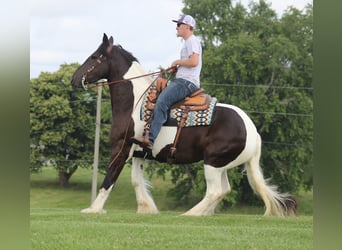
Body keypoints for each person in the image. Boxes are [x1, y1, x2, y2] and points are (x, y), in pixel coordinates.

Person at [131, 14, 202, 150]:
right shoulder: (189, 42)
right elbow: (191, 63)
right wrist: (177, 68)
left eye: (179, 25)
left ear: (187, 26)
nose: (176, 28)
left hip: (186, 83)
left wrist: (177, 62)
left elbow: (194, 62)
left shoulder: (192, 41)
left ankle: (150, 138)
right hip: (184, 80)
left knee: (162, 101)